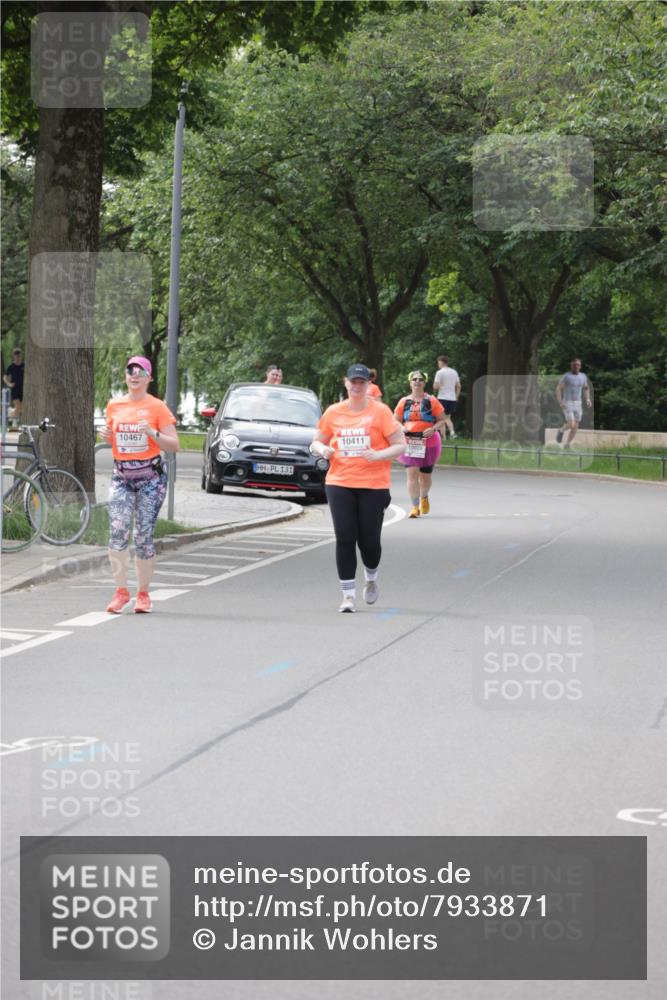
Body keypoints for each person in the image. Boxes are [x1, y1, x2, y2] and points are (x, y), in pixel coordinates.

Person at [310, 363, 405, 613]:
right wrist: (323, 449)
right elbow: (315, 442)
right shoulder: (333, 412)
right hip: (339, 481)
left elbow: (400, 445)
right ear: (346, 383)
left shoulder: (381, 412)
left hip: (373, 484)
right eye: (353, 382)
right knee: (344, 537)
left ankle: (371, 577)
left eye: (361, 382)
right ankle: (348, 595)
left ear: (368, 385)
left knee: (369, 542)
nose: (357, 386)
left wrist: (379, 454)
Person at [101, 356, 180, 614]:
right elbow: (115, 441)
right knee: (117, 531)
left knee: (143, 536)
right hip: (122, 477)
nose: (134, 375)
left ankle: (143, 594)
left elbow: (174, 445)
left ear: (149, 378)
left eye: (140, 371)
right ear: (126, 375)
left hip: (151, 479)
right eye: (130, 370)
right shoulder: (114, 405)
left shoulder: (157, 407)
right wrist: (108, 436)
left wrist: (152, 433)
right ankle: (121, 592)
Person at [395, 370, 446, 519]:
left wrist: (433, 428)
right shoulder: (404, 401)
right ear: (410, 382)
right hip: (410, 443)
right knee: (411, 475)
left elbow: (442, 419)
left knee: (425, 477)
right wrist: (402, 428)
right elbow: (395, 420)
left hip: (429, 443)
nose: (417, 381)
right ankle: (414, 506)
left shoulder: (432, 400)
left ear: (424, 383)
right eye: (414, 379)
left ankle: (424, 496)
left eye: (420, 379)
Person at [555, 358, 592, 449]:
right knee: (571, 423)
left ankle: (567, 444)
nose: (576, 366)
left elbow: (586, 388)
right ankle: (561, 431)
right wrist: (560, 401)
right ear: (571, 366)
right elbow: (558, 389)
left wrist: (587, 399)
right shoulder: (566, 376)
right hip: (568, 402)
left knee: (576, 425)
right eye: (574, 365)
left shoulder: (583, 376)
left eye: (577, 365)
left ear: (580, 366)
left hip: (578, 403)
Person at [432, 355, 460, 439]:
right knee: (447, 417)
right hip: (452, 399)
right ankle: (448, 435)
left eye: (438, 362)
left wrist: (438, 386)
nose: (438, 364)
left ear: (441, 362)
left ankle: (447, 435)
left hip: (442, 398)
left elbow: (435, 387)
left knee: (441, 419)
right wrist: (456, 396)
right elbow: (458, 386)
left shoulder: (440, 372)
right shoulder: (454, 372)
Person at [3, 347, 25, 428]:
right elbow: (4, 377)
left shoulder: (24, 365)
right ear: (13, 356)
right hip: (15, 388)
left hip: (23, 389)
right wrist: (9, 384)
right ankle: (15, 423)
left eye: (19, 355)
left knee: (21, 408)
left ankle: (11, 412)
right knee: (18, 406)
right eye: (16, 355)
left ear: (21, 356)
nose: (17, 357)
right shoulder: (11, 366)